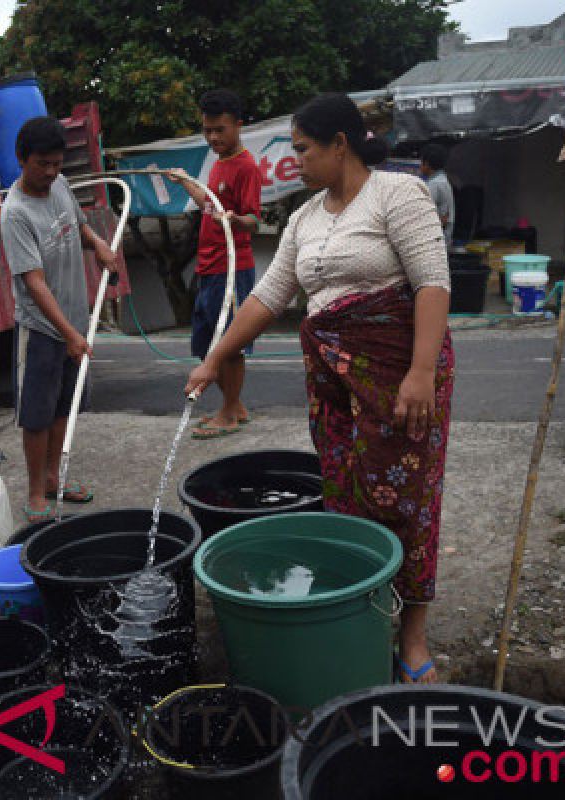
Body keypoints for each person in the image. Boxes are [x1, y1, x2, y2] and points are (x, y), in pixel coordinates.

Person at [185, 93, 453, 685]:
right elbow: (268, 296)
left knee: (406, 496)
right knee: (347, 494)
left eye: (303, 150)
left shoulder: (397, 194)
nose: (296, 162)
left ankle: (413, 636)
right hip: (334, 384)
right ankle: (362, 608)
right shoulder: (305, 218)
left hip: (399, 372)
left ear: (341, 144)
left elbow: (433, 282)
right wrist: (213, 359)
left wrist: (420, 373)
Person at [1, 116, 117, 523]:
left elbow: (80, 225)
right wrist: (68, 333)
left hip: (74, 319)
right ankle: (35, 492)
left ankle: (54, 478)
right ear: (21, 158)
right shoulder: (15, 213)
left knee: (64, 407)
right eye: (42, 164)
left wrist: (99, 244)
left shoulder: (61, 185)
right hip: (42, 328)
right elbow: (33, 283)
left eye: (56, 163)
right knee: (36, 415)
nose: (50, 172)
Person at [167, 89, 263, 439]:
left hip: (232, 267)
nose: (213, 137)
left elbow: (254, 219)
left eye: (220, 130)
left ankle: (228, 412)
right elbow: (210, 204)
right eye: (207, 130)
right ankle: (234, 407)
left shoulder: (246, 166)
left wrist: (236, 219)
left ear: (238, 125)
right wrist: (186, 182)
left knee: (229, 343)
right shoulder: (219, 162)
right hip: (209, 266)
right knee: (209, 343)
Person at [420, 143, 455, 247]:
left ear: (426, 164)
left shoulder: (434, 184)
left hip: (435, 241)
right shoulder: (442, 179)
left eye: (421, 162)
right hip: (442, 238)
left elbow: (424, 214)